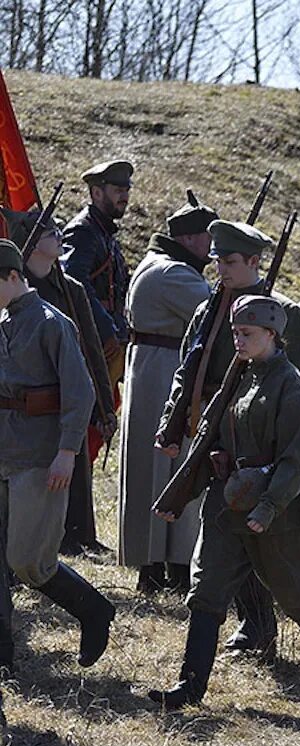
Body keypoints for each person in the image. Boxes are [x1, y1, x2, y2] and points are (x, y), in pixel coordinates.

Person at [149, 294, 300, 709]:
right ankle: (189, 688)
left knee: (295, 594)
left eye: (247, 334)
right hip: (227, 502)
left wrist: (268, 508)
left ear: (272, 334)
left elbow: (294, 459)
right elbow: (214, 432)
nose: (238, 341)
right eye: (235, 333)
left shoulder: (289, 383)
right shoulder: (239, 375)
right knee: (205, 589)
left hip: (272, 511)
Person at [156, 219, 300, 660]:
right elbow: (187, 370)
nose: (220, 269)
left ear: (253, 262)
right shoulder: (209, 308)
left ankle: (261, 626)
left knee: (262, 536)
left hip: (265, 440)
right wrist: (173, 424)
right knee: (224, 531)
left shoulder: (283, 314)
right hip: (215, 434)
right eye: (216, 260)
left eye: (229, 261)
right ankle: (250, 623)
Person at [0, 238, 113, 673]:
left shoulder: (52, 322)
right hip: (4, 451)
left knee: (29, 561)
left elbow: (80, 392)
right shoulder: (2, 320)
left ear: (13, 277)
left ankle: (93, 610)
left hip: (39, 455)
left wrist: (67, 451)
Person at [0, 209, 117, 560]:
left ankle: (75, 539)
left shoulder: (69, 290)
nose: (58, 236)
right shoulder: (12, 303)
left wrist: (104, 408)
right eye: (49, 231)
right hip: (19, 422)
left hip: (61, 403)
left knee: (72, 475)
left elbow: (92, 349)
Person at [119, 192, 216, 594]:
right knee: (172, 469)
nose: (211, 246)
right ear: (191, 239)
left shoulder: (158, 266)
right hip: (164, 372)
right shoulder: (174, 274)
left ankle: (161, 562)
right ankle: (170, 564)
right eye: (207, 237)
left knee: (158, 470)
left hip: (154, 369)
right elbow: (218, 313)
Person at [63, 160, 134, 543]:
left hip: (105, 349)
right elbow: (74, 288)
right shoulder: (83, 233)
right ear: (95, 192)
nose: (123, 194)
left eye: (126, 188)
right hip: (89, 350)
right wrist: (106, 332)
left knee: (93, 430)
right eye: (115, 188)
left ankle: (78, 529)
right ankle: (72, 530)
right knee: (84, 431)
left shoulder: (104, 234)